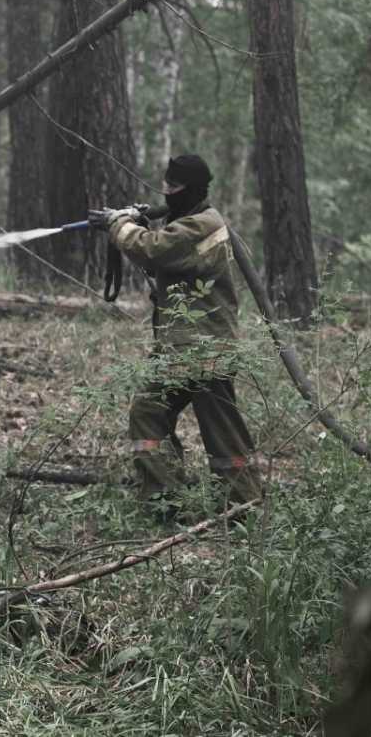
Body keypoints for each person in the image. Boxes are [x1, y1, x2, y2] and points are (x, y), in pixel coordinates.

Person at [88, 154, 262, 510]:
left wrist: (117, 224)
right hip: (185, 347)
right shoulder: (191, 220)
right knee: (152, 413)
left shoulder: (203, 225)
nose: (166, 195)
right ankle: (166, 501)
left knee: (218, 431)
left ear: (192, 190)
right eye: (165, 188)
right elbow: (164, 242)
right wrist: (135, 219)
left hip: (202, 349)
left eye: (173, 189)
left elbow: (153, 249)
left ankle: (242, 506)